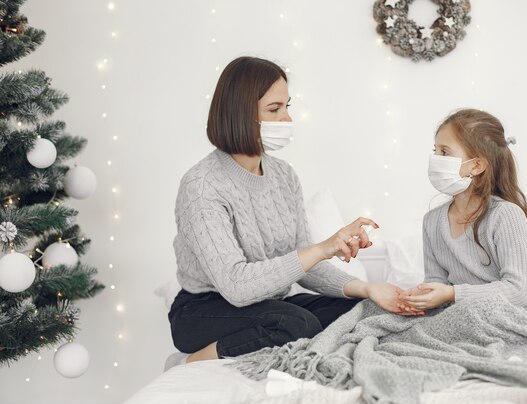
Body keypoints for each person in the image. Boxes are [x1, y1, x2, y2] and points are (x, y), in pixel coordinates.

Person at [169, 56, 409, 366]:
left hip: (267, 306)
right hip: (203, 310)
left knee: (361, 310)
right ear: (240, 112)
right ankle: (191, 362)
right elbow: (237, 288)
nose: (287, 119)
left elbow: (303, 266)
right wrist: (323, 248)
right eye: (274, 109)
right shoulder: (202, 185)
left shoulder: (284, 175)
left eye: (287, 107)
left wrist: (367, 289)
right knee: (294, 324)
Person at [399, 109, 527, 313]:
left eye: (444, 152)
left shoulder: (506, 215)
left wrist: (452, 294)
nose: (435, 158)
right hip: (469, 312)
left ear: (477, 165)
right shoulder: (432, 221)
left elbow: (517, 291)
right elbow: (437, 282)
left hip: (522, 310)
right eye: (435, 150)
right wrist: (423, 296)